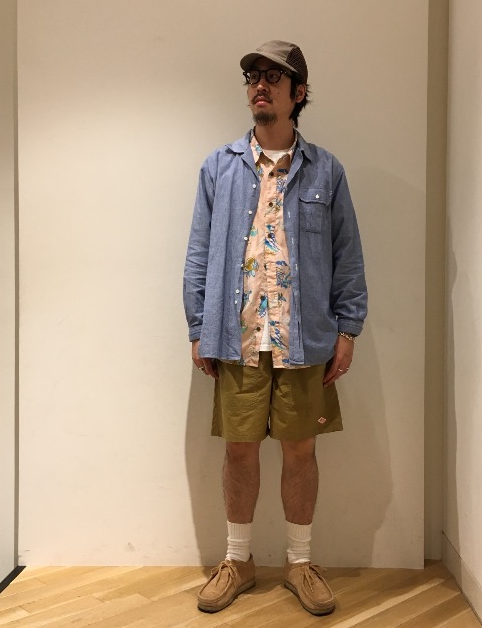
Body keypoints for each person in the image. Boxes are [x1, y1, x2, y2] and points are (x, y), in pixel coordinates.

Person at [183, 40, 367, 616]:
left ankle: (299, 562)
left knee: (300, 453)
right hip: (236, 338)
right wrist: (198, 325)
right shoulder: (218, 167)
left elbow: (347, 256)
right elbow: (197, 253)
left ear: (298, 93)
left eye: (273, 77)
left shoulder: (326, 171)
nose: (259, 86)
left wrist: (348, 329)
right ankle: (237, 561)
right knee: (239, 452)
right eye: (253, 77)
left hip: (303, 338)